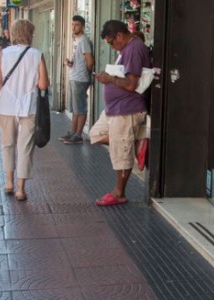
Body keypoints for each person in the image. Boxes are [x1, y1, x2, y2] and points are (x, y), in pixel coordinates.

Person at [0, 19, 49, 202]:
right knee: (25, 146)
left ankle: (8, 182)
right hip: (29, 105)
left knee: (7, 143)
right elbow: (43, 85)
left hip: (6, 105)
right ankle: (21, 189)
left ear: (14, 34)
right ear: (29, 34)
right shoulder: (37, 54)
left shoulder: (4, 53)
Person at [93, 20, 151, 206]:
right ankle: (134, 140)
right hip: (115, 109)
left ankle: (119, 193)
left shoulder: (134, 48)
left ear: (119, 36)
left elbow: (131, 84)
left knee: (121, 154)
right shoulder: (126, 49)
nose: (111, 46)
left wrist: (109, 78)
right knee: (96, 134)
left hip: (127, 109)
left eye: (111, 42)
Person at [59, 15, 94, 145]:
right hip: (75, 77)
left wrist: (86, 73)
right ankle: (73, 132)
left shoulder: (84, 40)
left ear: (83, 27)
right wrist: (71, 63)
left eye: (77, 25)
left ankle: (78, 135)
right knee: (75, 109)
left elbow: (89, 61)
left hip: (80, 79)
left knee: (80, 108)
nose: (74, 27)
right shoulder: (76, 40)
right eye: (73, 24)